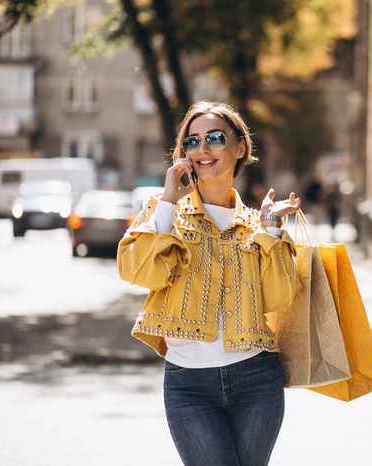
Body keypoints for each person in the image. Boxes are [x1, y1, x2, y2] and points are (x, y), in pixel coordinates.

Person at [117, 101, 301, 466]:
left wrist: (270, 230)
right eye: (192, 141)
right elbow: (136, 271)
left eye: (215, 138)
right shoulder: (163, 213)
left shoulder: (255, 223)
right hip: (189, 386)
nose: (202, 149)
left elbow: (279, 297)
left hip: (257, 381)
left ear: (240, 148)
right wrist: (168, 199)